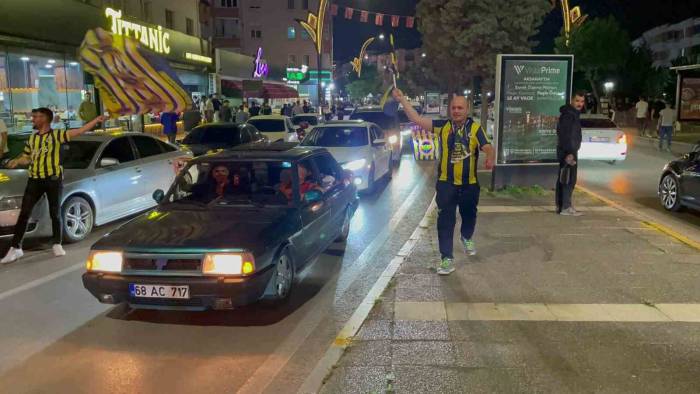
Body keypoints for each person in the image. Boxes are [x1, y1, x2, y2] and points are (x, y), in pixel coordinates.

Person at [393, 88, 495, 275]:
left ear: (467, 109)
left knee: (469, 216)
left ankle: (466, 236)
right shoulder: (443, 126)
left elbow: (488, 146)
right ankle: (446, 258)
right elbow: (416, 119)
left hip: (469, 184)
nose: (456, 111)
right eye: (453, 108)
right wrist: (402, 100)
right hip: (446, 184)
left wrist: (490, 157)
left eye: (460, 108)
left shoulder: (475, 128)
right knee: (445, 222)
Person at [1, 108, 104, 264]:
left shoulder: (56, 135)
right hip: (34, 179)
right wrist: (16, 161)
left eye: (36, 117)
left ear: (45, 119)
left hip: (52, 179)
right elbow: (26, 157)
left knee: (55, 212)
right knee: (24, 213)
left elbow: (79, 131)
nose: (33, 119)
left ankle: (57, 243)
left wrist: (96, 121)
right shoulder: (33, 138)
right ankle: (16, 248)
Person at [555, 91, 585, 217]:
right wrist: (570, 153)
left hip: (569, 150)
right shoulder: (569, 115)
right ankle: (565, 207)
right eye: (577, 101)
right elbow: (566, 135)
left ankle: (562, 206)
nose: (580, 104)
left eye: (582, 101)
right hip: (569, 151)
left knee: (564, 178)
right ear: (572, 101)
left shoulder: (572, 114)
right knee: (568, 179)